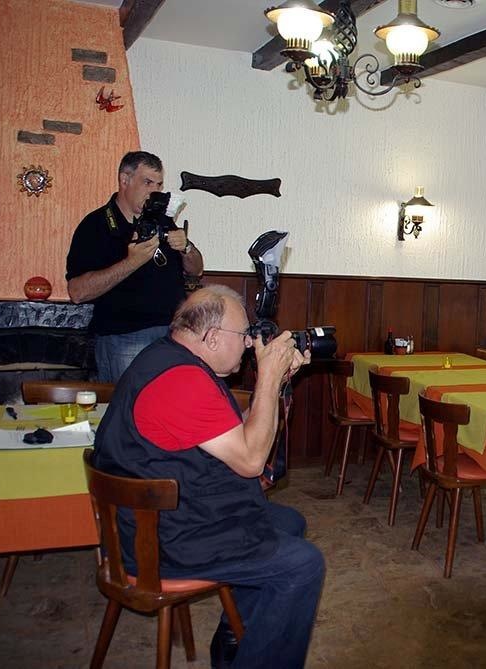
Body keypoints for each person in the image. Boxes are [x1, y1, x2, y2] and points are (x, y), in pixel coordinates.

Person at [91, 285, 324, 669]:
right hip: (157, 542)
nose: (249, 343)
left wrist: (277, 382)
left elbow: (239, 435)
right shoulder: (181, 382)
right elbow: (251, 461)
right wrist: (267, 379)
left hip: (162, 517)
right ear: (212, 337)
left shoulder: (170, 360)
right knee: (303, 564)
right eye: (244, 334)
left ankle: (234, 641)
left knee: (288, 522)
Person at [67, 151, 204, 383]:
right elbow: (77, 292)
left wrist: (187, 248)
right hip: (125, 338)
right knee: (130, 404)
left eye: (159, 185)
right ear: (124, 180)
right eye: (147, 183)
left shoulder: (162, 220)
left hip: (173, 333)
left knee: (168, 403)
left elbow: (196, 270)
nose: (154, 192)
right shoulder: (96, 225)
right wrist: (132, 262)